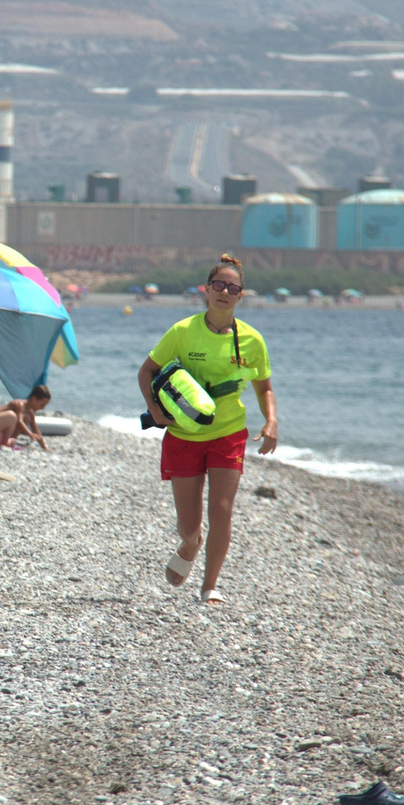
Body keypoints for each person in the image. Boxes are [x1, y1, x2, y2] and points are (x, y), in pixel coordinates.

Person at [136, 253, 277, 606]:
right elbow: (146, 371)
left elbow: (264, 386)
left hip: (228, 432)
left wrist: (271, 420)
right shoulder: (183, 332)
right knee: (189, 526)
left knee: (222, 510)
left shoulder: (252, 341)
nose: (224, 292)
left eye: (232, 287)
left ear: (241, 296)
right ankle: (189, 545)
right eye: (218, 285)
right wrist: (155, 410)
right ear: (206, 290)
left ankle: (209, 586)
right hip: (184, 435)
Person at [0, 384, 54, 451]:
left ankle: (9, 439)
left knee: (27, 418)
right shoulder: (20, 405)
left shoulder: (30, 412)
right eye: (42, 405)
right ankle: (3, 440)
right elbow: (20, 422)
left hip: (4, 432)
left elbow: (36, 430)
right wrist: (30, 434)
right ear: (34, 399)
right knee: (25, 418)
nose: (42, 408)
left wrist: (44, 446)